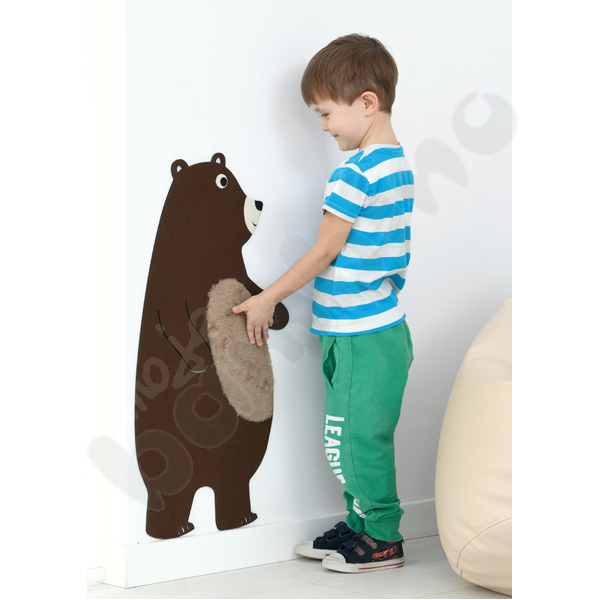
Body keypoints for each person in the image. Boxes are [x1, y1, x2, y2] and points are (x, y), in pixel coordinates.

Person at [232, 33, 414, 573]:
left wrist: (266, 297)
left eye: (325, 114)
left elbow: (323, 251)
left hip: (363, 332)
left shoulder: (355, 173)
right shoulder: (395, 163)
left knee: (353, 438)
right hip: (366, 328)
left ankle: (382, 537)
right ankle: (360, 524)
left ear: (367, 102)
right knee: (349, 436)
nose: (323, 127)